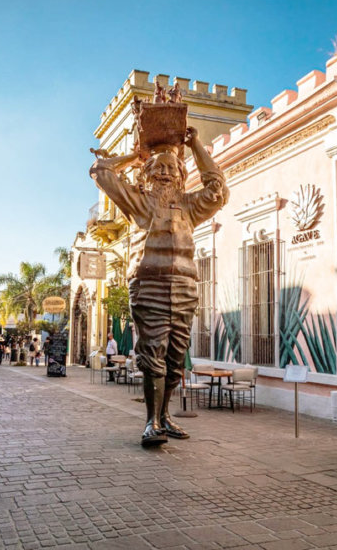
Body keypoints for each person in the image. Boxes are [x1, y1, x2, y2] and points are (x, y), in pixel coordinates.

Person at [90, 119, 228, 447]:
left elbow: (218, 191)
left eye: (171, 169)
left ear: (182, 176)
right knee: (153, 353)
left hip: (184, 287)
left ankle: (165, 416)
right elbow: (100, 172)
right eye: (158, 168)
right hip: (149, 285)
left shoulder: (191, 206)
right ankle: (151, 422)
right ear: (147, 174)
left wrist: (196, 147)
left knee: (176, 359)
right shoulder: (138, 201)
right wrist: (133, 157)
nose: (165, 173)